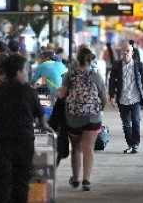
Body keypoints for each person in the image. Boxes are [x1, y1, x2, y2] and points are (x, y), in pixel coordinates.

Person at [0, 54, 53, 203]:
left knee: (2, 180)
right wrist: (45, 127)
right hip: (24, 143)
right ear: (18, 72)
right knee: (21, 181)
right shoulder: (29, 92)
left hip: (2, 143)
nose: (27, 74)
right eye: (26, 70)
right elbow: (41, 117)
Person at [58, 46, 106, 191]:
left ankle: (75, 179)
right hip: (93, 117)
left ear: (76, 59)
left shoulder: (69, 76)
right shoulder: (97, 76)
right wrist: (99, 110)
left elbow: (62, 95)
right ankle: (86, 180)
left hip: (74, 118)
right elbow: (103, 98)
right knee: (89, 149)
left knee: (76, 148)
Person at [109, 42, 143, 154]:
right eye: (124, 51)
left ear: (132, 53)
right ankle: (130, 144)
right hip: (122, 98)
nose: (125, 53)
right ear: (121, 52)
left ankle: (135, 144)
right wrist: (112, 96)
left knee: (135, 121)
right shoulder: (116, 65)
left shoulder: (139, 65)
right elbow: (111, 82)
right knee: (126, 123)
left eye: (128, 51)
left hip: (135, 98)